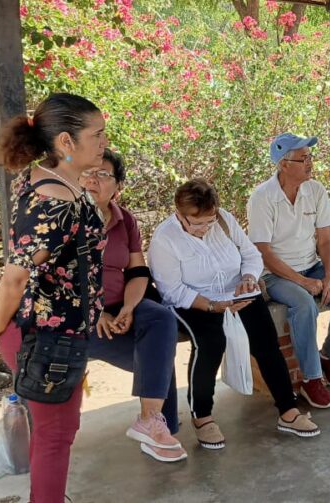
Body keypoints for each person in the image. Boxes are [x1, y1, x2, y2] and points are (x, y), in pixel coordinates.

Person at [0, 93, 108, 503]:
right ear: (66, 143)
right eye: (97, 135)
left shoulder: (43, 179)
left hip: (50, 330)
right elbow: (15, 278)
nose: (105, 142)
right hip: (47, 336)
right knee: (57, 435)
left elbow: (29, 260)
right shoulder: (56, 201)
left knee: (54, 430)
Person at [150, 180, 319, 449]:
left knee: (266, 342)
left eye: (210, 221)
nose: (205, 229)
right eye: (196, 223)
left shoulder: (225, 220)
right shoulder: (165, 238)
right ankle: (202, 416)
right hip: (193, 301)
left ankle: (288, 411)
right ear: (179, 214)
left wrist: (249, 278)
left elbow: (251, 254)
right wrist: (211, 306)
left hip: (237, 293)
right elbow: (171, 290)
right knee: (210, 343)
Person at [84, 149, 186, 462]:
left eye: (103, 174)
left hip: (121, 302)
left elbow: (138, 271)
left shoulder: (123, 219)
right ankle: (160, 426)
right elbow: (53, 277)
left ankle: (152, 422)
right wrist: (96, 310)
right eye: (89, 172)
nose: (94, 179)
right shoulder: (65, 216)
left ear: (117, 186)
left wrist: (128, 308)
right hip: (80, 312)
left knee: (160, 320)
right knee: (157, 355)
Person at [247, 133, 330, 409]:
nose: (310, 163)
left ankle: (329, 358)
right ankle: (311, 380)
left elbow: (325, 239)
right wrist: (302, 282)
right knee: (303, 305)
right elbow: (263, 251)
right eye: (303, 158)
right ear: (283, 164)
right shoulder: (262, 197)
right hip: (274, 273)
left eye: (310, 157)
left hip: (312, 264)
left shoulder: (316, 190)